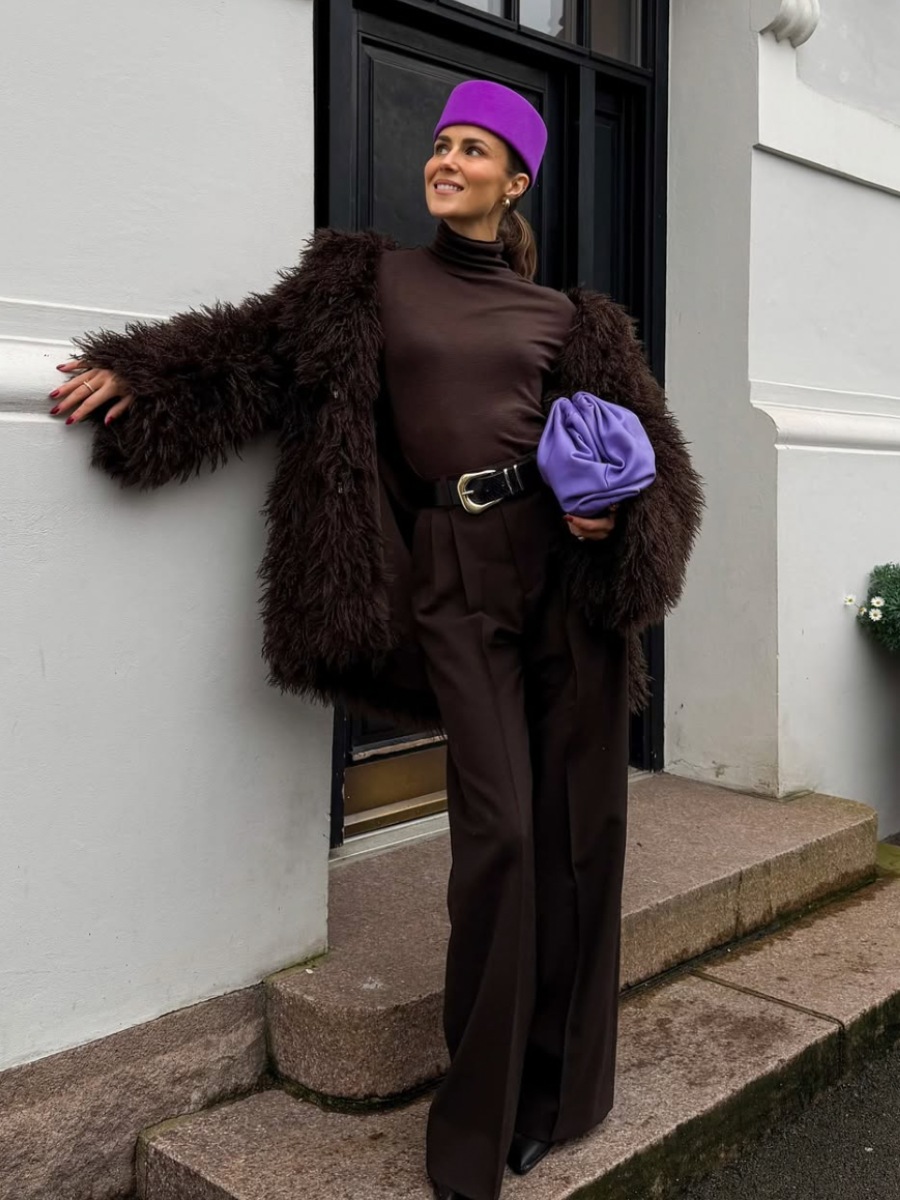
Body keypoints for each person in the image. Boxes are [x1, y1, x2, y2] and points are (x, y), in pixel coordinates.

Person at [47, 80, 703, 1200]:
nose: (446, 159)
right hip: (451, 568)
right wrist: (142, 375)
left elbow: (662, 469)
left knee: (583, 834)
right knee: (498, 839)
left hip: (565, 577)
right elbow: (249, 351)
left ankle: (560, 1094)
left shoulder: (572, 322)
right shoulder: (366, 280)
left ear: (516, 180)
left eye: (474, 149)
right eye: (441, 143)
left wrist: (617, 515)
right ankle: (472, 1138)